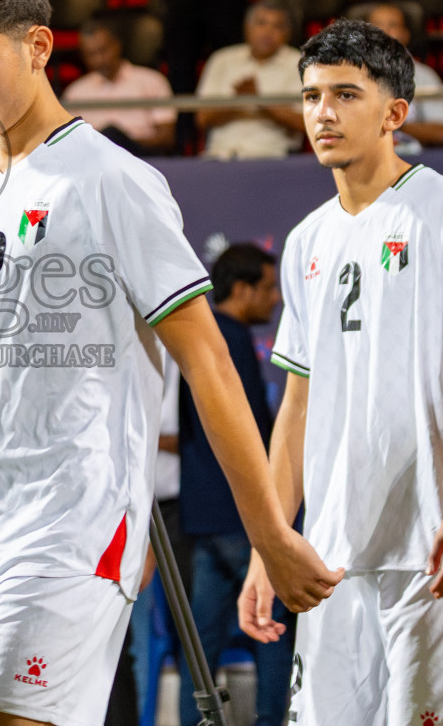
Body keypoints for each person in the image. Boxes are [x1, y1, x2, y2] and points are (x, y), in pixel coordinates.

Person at [0, 0, 342, 726]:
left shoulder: (113, 181)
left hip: (75, 534)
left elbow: (208, 364)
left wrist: (267, 530)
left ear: (38, 47)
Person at [241, 19, 443, 726]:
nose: (322, 113)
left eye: (344, 94)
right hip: (330, 555)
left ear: (395, 113)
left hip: (433, 542)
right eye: (309, 97)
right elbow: (295, 409)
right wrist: (268, 547)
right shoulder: (305, 240)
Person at [179, 243, 295, 726]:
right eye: (268, 288)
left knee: (200, 653)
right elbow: (250, 435)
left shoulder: (196, 334)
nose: (276, 299)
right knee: (272, 633)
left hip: (204, 518)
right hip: (242, 523)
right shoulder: (229, 342)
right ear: (242, 288)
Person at [195, 0, 303, 160]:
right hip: (219, 156)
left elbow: (306, 124)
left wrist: (261, 101)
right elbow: (202, 118)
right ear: (247, 28)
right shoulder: (222, 59)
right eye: (261, 24)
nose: (268, 32)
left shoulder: (300, 63)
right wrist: (237, 100)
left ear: (287, 34)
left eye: (277, 26)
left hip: (273, 158)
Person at [62, 13, 176, 156]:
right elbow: (68, 143)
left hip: (140, 157)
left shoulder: (152, 81)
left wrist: (120, 144)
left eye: (103, 50)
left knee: (112, 135)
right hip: (95, 161)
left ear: (117, 45)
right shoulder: (75, 92)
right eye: (91, 54)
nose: (99, 59)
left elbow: (166, 138)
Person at [365, 2, 443, 153]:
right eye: (377, 26)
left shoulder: (425, 76)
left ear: (405, 35)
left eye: (392, 25)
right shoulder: (352, 76)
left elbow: (442, 133)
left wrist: (394, 123)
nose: (384, 32)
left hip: (412, 160)